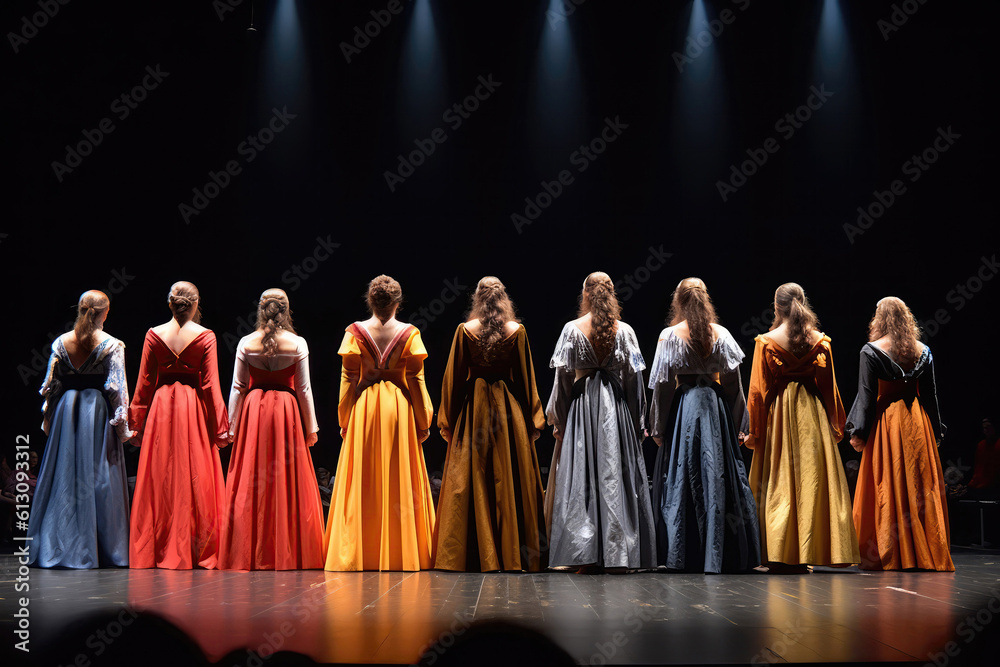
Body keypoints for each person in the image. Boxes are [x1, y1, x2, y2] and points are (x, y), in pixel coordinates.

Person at [434, 277, 548, 572]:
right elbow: (525, 378)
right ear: (503, 299)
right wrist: (534, 419)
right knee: (508, 476)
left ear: (477, 299)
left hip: (475, 409)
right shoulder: (516, 331)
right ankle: (514, 553)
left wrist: (447, 419)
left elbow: (455, 378)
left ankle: (474, 554)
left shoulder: (465, 331)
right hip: (507, 411)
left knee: (475, 474)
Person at [743, 283, 859, 572]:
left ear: (776, 307)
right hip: (812, 416)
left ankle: (779, 551)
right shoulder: (820, 341)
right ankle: (807, 550)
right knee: (811, 481)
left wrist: (755, 432)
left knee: (779, 482)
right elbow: (829, 387)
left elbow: (758, 392)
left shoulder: (767, 341)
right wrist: (836, 424)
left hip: (781, 415)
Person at [545, 272, 655, 572]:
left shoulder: (572, 329)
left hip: (583, 410)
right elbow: (635, 384)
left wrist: (559, 419)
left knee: (584, 475)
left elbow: (563, 381)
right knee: (612, 477)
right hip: (615, 411)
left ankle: (586, 553)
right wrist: (635, 422)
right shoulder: (626, 331)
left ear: (585, 295)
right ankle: (617, 552)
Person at [324, 275, 436, 571]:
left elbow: (348, 379)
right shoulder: (409, 333)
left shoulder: (355, 332)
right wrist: (424, 419)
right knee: (398, 476)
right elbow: (416, 379)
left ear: (370, 300)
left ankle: (363, 549)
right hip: (398, 410)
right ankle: (400, 552)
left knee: (363, 478)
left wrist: (345, 416)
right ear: (398, 302)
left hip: (364, 410)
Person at [648, 278, 759, 573]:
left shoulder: (670, 336)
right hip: (715, 407)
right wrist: (738, 426)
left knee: (685, 476)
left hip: (685, 407)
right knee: (716, 475)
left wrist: (658, 427)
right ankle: (723, 551)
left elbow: (662, 387)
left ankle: (685, 551)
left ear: (678, 301)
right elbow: (735, 387)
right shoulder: (721, 334)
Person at [219, 289, 324, 570]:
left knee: (253, 479)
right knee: (285, 479)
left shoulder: (245, 342)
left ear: (261, 310)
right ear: (287, 311)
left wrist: (231, 427)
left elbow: (238, 388)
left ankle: (249, 550)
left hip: (254, 413)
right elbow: (303, 389)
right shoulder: (297, 343)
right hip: (286, 414)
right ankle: (287, 548)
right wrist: (311, 427)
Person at [27, 290, 132, 568]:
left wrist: (49, 419)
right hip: (94, 412)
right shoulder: (112, 345)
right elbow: (117, 391)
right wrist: (123, 431)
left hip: (67, 410)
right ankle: (101, 547)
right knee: (98, 476)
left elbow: (51, 388)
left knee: (64, 474)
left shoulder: (62, 343)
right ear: (104, 313)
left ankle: (58, 540)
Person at [846, 297, 953, 571]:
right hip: (918, 423)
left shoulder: (870, 351)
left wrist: (858, 432)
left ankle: (891, 548)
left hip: (888, 424)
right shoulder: (923, 350)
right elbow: (931, 396)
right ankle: (923, 550)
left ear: (878, 320)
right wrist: (937, 431)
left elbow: (867, 397)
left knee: (889, 481)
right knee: (919, 484)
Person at [128, 282, 229, 569]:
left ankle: (157, 548)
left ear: (170, 303)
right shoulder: (206, 335)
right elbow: (210, 384)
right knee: (195, 472)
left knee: (160, 475)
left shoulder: (154, 334)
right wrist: (220, 425)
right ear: (196, 304)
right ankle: (194, 546)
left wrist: (136, 424)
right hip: (193, 407)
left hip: (161, 406)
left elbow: (144, 382)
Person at [968, 418, 1000, 495]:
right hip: (980, 485)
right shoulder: (981, 445)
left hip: (993, 486)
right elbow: (978, 466)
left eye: (988, 427)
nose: (985, 430)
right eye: (984, 428)